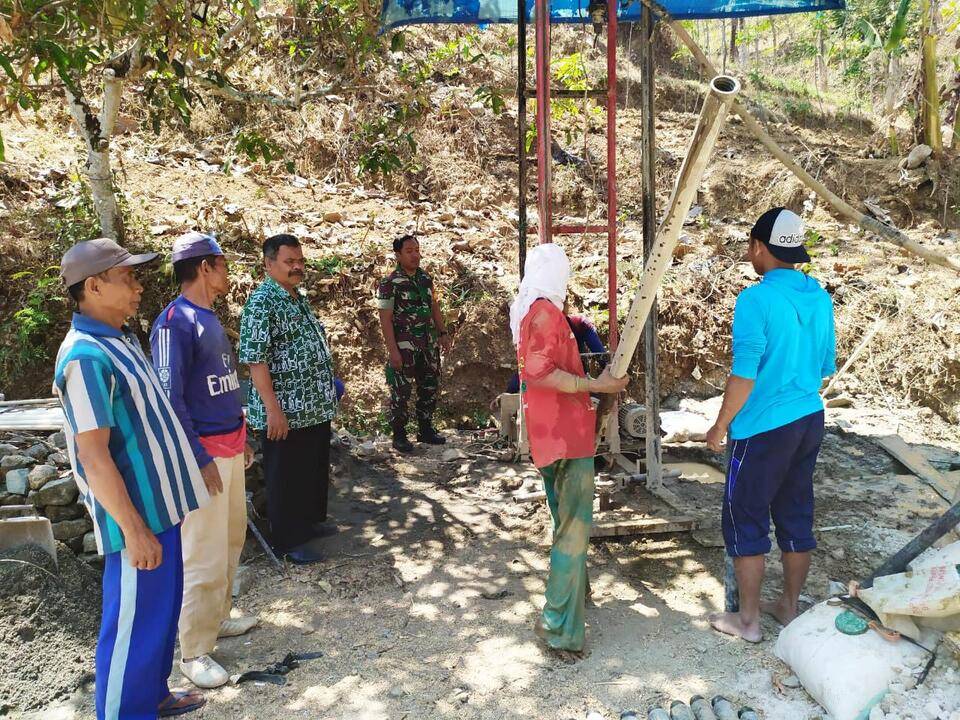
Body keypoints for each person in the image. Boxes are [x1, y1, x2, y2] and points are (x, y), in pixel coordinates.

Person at [53, 237, 209, 719]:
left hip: (161, 509)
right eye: (128, 278)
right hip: (137, 517)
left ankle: (152, 696)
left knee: (158, 614)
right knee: (132, 625)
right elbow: (94, 456)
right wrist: (133, 529)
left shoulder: (120, 339)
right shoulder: (86, 357)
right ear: (94, 287)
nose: (139, 287)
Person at [705, 207, 836, 643]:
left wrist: (720, 425)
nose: (749, 254)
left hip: (762, 428)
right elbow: (824, 366)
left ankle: (747, 622)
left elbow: (744, 373)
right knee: (796, 512)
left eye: (750, 246)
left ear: (760, 247)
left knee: (745, 518)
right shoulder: (819, 296)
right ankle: (788, 607)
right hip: (809, 418)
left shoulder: (755, 299)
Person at [150, 232, 258, 689]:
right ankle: (193, 650)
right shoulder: (174, 323)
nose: (228, 272)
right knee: (202, 552)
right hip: (204, 455)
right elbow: (169, 398)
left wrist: (243, 437)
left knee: (231, 539)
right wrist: (196, 457)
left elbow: (223, 388)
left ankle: (218, 617)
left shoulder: (208, 317)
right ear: (204, 267)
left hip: (230, 447)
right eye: (223, 264)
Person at [511, 243, 628, 656]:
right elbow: (539, 372)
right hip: (565, 435)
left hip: (548, 433)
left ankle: (576, 595)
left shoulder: (529, 310)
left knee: (564, 519)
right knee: (573, 530)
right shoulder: (545, 313)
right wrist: (596, 385)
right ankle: (559, 627)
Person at [239, 233, 338, 564]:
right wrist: (273, 410)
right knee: (286, 475)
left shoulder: (295, 296)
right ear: (269, 264)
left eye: (300, 261)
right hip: (285, 410)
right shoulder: (261, 303)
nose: (297, 267)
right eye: (289, 262)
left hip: (311, 406)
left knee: (311, 468)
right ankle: (288, 541)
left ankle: (308, 524)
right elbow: (256, 360)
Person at [376, 234, 451, 452]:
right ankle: (399, 435)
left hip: (428, 345)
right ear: (398, 255)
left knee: (429, 387)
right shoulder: (389, 284)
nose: (415, 255)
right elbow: (385, 319)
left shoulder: (425, 279)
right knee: (401, 392)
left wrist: (443, 332)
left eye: (417, 250)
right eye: (409, 251)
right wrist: (393, 351)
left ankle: (425, 429)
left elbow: (434, 306)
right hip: (404, 347)